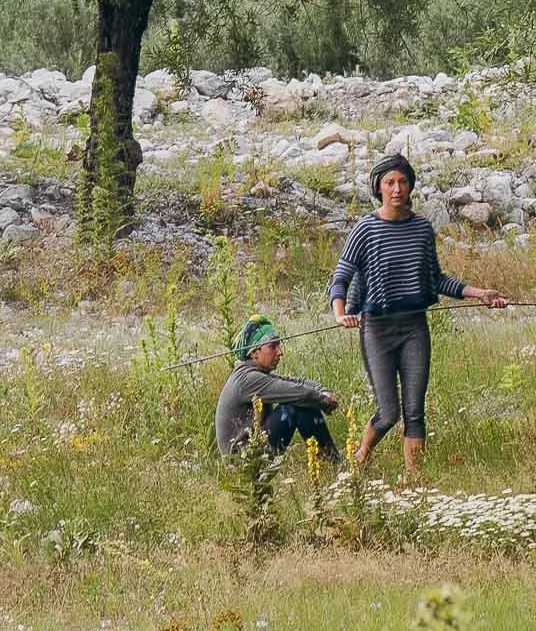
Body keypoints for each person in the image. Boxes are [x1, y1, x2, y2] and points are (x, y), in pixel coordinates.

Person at [330, 152, 506, 481]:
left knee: (414, 410)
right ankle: (362, 453)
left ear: (410, 186)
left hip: (414, 328)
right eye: (389, 182)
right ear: (378, 187)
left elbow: (436, 280)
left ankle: (413, 481)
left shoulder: (422, 229)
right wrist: (341, 313)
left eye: (402, 182)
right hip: (377, 330)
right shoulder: (366, 228)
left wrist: (479, 293)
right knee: (388, 413)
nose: (397, 188)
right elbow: (342, 275)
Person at [213, 316, 341, 462]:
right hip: (242, 462)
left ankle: (332, 461)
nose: (280, 352)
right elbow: (298, 393)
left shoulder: (254, 374)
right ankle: (334, 462)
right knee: (297, 404)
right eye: (273, 347)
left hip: (251, 449)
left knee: (302, 398)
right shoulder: (249, 379)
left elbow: (294, 382)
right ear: (255, 353)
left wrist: (322, 390)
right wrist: (324, 401)